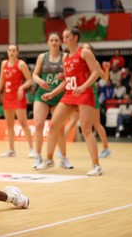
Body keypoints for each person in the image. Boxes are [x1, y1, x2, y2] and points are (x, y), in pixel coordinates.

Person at [36, 28, 102, 176]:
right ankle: (49, 159)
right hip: (70, 94)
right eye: (63, 37)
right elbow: (67, 80)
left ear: (76, 37)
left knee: (86, 129)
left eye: (67, 37)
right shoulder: (66, 58)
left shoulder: (84, 52)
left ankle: (96, 165)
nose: (64, 40)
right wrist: (52, 93)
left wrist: (84, 86)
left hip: (84, 93)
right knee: (54, 125)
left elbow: (96, 71)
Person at [64, 43, 111, 158]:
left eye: (88, 48)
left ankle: (105, 148)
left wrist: (107, 70)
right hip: (76, 94)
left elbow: (104, 79)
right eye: (83, 48)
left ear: (91, 51)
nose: (85, 50)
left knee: (96, 123)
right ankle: (61, 149)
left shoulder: (94, 63)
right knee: (72, 122)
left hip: (90, 94)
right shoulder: (76, 60)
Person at [32, 32, 71, 168]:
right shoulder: (42, 57)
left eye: (56, 40)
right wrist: (40, 81)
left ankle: (63, 158)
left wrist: (54, 93)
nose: (54, 42)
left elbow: (67, 79)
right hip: (42, 95)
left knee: (59, 128)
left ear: (59, 42)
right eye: (51, 40)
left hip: (59, 95)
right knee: (38, 125)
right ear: (48, 42)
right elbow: (34, 75)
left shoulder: (65, 57)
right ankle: (37, 156)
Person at [0, 45, 34, 158]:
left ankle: (32, 149)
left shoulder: (21, 64)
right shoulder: (3, 64)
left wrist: (22, 87)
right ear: (7, 52)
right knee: (9, 124)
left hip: (18, 97)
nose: (11, 52)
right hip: (7, 97)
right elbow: (1, 80)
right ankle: (11, 150)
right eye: (10, 50)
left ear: (17, 52)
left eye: (14, 50)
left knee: (23, 122)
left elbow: (30, 80)